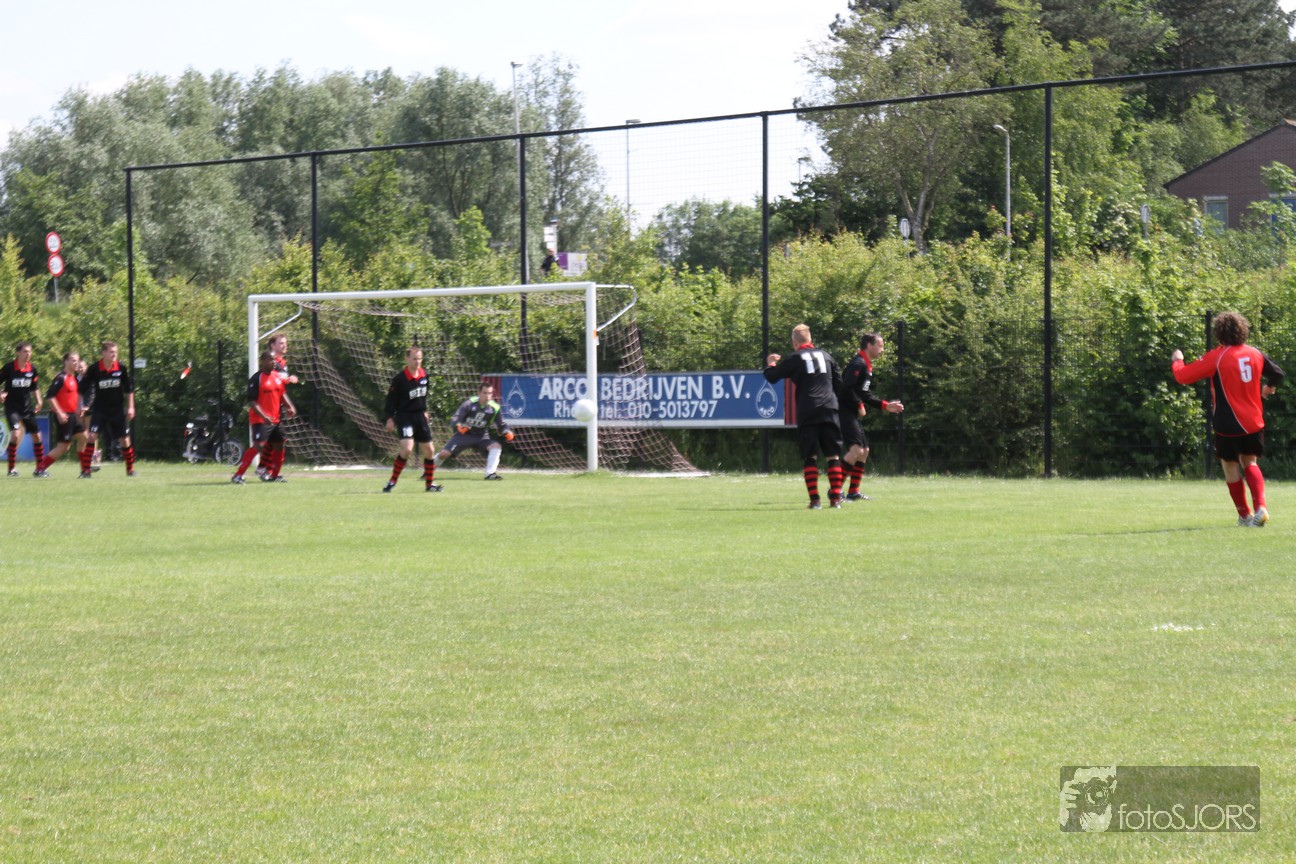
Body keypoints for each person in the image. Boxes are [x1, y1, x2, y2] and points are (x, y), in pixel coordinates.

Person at [1172, 311, 1284, 527]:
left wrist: (1177, 360)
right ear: (1243, 330)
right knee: (1250, 462)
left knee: (1230, 465)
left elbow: (1183, 376)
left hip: (1228, 423)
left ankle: (1244, 516)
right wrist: (1269, 387)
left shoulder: (1218, 356)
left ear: (1219, 333)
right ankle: (1261, 508)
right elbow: (1277, 374)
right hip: (1253, 422)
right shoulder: (1255, 353)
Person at [763, 324, 845, 509]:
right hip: (829, 407)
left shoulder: (795, 358)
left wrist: (771, 363)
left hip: (808, 409)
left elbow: (772, 377)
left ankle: (815, 501)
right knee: (833, 456)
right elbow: (840, 386)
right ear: (811, 339)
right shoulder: (827, 356)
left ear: (794, 343)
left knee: (810, 456)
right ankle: (835, 500)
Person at [838, 332, 904, 501]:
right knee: (856, 450)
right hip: (844, 411)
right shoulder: (858, 363)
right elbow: (845, 388)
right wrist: (858, 405)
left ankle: (853, 492)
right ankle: (835, 490)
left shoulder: (866, 365)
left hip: (851, 412)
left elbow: (864, 393)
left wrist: (885, 405)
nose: (882, 350)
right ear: (869, 345)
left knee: (864, 451)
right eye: (880, 346)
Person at [382, 346, 441, 493]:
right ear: (407, 359)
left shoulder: (425, 376)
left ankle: (429, 484)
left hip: (419, 416)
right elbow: (391, 401)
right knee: (407, 448)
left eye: (420, 359)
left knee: (430, 450)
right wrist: (389, 418)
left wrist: (424, 410)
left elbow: (423, 397)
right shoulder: (399, 379)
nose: (417, 361)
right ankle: (392, 481)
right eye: (414, 359)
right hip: (405, 416)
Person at [231, 351, 297, 484]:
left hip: (275, 420)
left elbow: (282, 393)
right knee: (259, 446)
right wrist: (264, 416)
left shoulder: (277, 377)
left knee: (279, 445)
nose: (274, 362)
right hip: (260, 420)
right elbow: (252, 402)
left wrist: (289, 406)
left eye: (275, 360)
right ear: (263, 361)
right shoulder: (256, 379)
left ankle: (274, 475)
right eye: (271, 360)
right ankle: (238, 475)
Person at [434, 382, 515, 480]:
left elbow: (501, 425)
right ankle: (428, 470)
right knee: (444, 454)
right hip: (463, 436)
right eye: (485, 393)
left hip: (481, 437)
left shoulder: (495, 408)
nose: (487, 396)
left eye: (490, 393)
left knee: (496, 446)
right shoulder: (469, 404)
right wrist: (459, 426)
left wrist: (507, 431)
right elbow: (455, 419)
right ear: (479, 393)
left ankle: (490, 474)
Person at [80, 341, 137, 477]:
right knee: (92, 436)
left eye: (115, 352)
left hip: (117, 409)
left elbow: (129, 389)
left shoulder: (121, 368)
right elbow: (81, 389)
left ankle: (130, 469)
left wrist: (131, 407)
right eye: (111, 352)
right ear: (103, 353)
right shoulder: (94, 369)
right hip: (100, 409)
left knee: (125, 439)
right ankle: (86, 470)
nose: (114, 354)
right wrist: (79, 406)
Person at [33, 353, 86, 477]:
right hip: (64, 416)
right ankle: (40, 469)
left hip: (73, 416)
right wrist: (59, 412)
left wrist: (80, 408)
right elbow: (50, 396)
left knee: (84, 437)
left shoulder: (74, 378)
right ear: (66, 362)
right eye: (73, 360)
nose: (76, 363)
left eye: (77, 361)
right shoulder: (61, 378)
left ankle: (85, 469)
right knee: (63, 447)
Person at [2, 341, 45, 476]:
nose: (28, 354)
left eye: (29, 351)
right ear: (18, 353)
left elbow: (34, 387)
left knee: (37, 436)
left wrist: (39, 400)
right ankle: (11, 469)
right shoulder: (9, 368)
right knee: (15, 434)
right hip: (12, 408)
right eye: (25, 351)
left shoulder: (32, 369)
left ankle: (40, 469)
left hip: (27, 409)